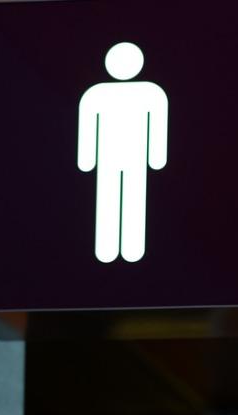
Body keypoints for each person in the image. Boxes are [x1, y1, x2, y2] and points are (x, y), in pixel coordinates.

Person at [78, 42, 169, 263]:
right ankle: (108, 250)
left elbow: (157, 125)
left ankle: (131, 250)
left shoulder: (151, 93)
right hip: (109, 158)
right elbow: (88, 126)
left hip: (134, 158)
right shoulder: (95, 94)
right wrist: (87, 158)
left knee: (134, 199)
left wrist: (156, 157)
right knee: (108, 198)